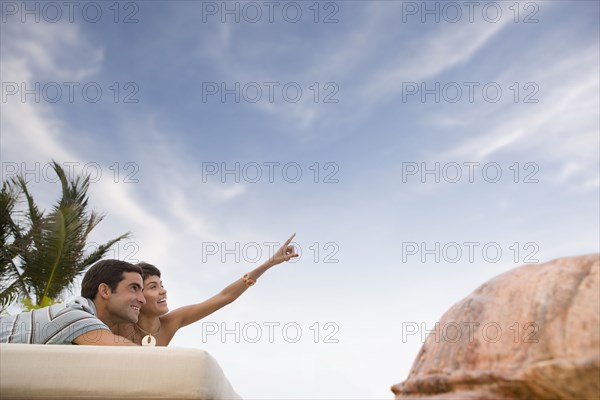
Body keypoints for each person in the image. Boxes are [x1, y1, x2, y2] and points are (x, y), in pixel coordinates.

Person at [113, 233, 299, 346]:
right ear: (137, 296)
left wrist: (270, 263)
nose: (163, 291)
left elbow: (224, 296)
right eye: (153, 287)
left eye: (162, 285)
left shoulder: (172, 322)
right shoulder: (118, 326)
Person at [0, 259, 145, 345]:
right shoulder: (76, 317)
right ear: (105, 291)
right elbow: (141, 359)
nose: (142, 299)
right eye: (134, 288)